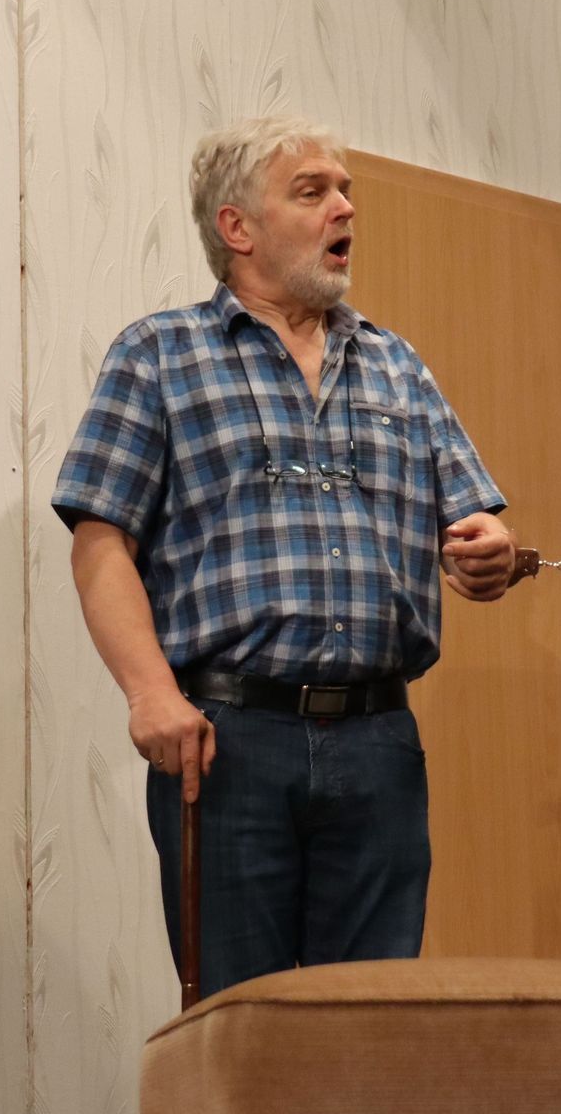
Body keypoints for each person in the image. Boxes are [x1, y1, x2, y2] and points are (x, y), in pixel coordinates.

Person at [52, 114, 516, 999]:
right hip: (228, 742)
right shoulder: (159, 355)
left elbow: (475, 522)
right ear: (238, 227)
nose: (345, 207)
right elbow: (101, 539)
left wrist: (490, 550)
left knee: (371, 1023)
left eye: (345, 191)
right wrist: (150, 695)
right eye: (313, 192)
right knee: (241, 1022)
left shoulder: (395, 364)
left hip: (379, 742)